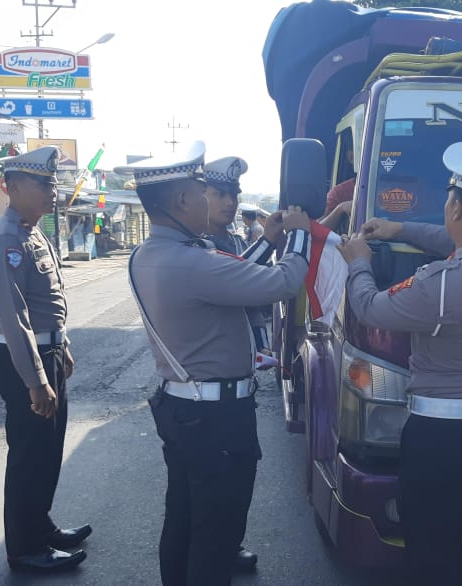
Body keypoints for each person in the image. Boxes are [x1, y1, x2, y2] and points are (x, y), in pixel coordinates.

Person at [337, 141, 462, 586]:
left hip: (443, 439)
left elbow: (370, 308)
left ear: (457, 210)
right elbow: (459, 240)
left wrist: (358, 262)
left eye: (450, 201)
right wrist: (399, 228)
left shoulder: (438, 286)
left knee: (433, 552)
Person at [119, 141, 311, 586]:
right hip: (215, 418)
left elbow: (234, 272)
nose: (215, 198)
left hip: (186, 409)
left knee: (185, 518)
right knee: (216, 532)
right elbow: (281, 283)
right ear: (184, 199)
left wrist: (268, 240)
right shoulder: (192, 262)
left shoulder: (155, 254)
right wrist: (299, 236)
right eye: (204, 189)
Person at [0, 146, 90, 573]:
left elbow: (48, 304)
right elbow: (14, 318)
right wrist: (36, 379)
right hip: (23, 359)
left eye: (53, 182)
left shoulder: (32, 230)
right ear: (14, 187)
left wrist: (63, 348)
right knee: (29, 455)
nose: (53, 190)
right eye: (44, 183)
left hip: (48, 352)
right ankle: (24, 548)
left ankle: (40, 526)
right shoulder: (5, 240)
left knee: (48, 450)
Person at [202, 155, 265, 570]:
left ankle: (229, 545)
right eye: (220, 193)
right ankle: (213, 553)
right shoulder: (201, 247)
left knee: (243, 472)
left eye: (234, 194)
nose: (229, 202)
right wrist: (274, 241)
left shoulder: (235, 239)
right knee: (214, 485)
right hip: (209, 386)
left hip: (241, 376)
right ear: (196, 196)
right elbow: (246, 281)